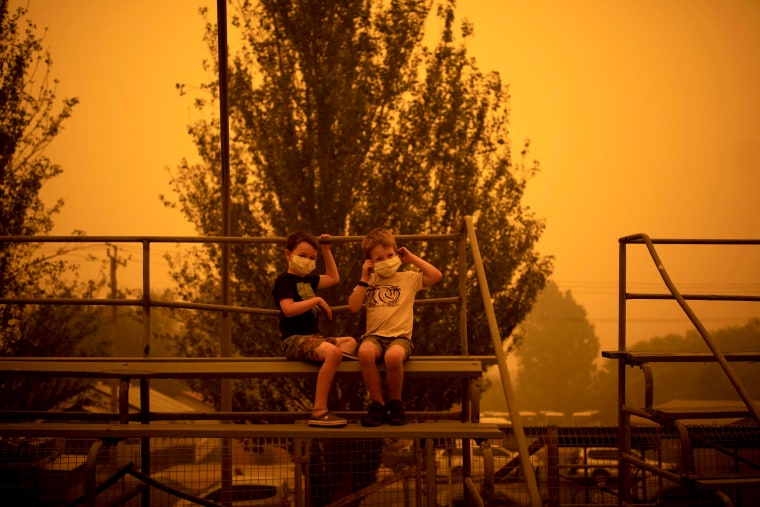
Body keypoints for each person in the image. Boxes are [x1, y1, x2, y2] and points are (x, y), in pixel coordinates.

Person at [347, 228, 442, 426]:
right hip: (373, 337)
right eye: (379, 258)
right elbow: (353, 307)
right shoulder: (369, 282)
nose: (386, 260)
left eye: (390, 255)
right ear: (371, 262)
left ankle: (395, 403)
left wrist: (412, 258)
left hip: (400, 338)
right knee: (364, 352)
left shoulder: (408, 278)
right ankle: (377, 405)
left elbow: (436, 276)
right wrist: (364, 277)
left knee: (393, 357)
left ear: (397, 253)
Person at [272, 231, 357, 428]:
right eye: (302, 256)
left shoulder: (309, 280)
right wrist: (317, 300)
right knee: (335, 352)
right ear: (288, 254)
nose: (308, 261)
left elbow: (334, 278)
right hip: (295, 340)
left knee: (350, 342)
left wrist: (326, 251)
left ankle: (330, 360)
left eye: (312, 258)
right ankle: (319, 411)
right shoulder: (284, 281)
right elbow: (288, 309)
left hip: (314, 339)